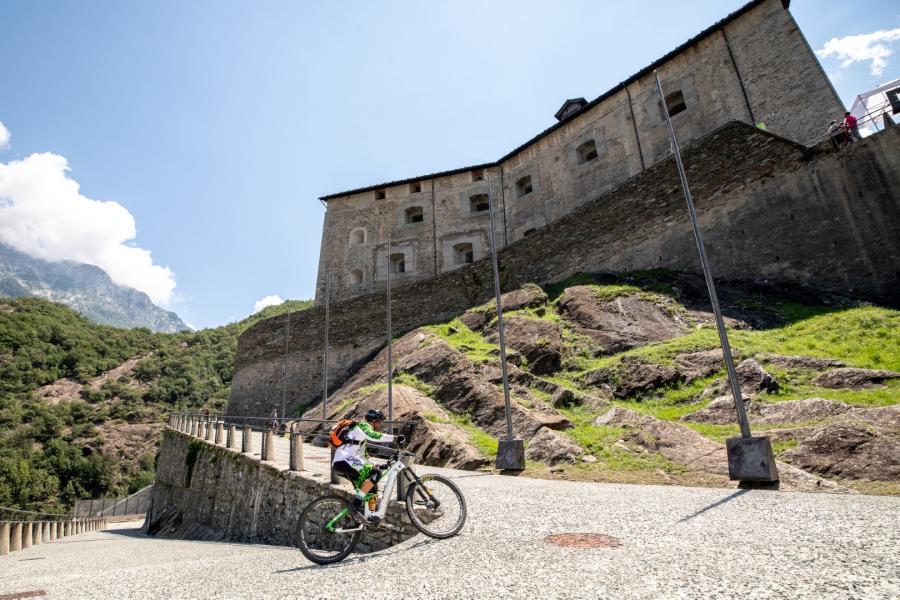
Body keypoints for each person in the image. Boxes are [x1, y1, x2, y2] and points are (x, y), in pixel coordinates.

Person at [331, 409, 405, 522]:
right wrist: (395, 438)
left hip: (345, 462)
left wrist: (380, 465)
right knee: (375, 473)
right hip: (344, 461)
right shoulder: (363, 426)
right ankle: (356, 504)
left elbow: (363, 457)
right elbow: (374, 436)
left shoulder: (360, 436)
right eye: (379, 422)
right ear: (374, 421)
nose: (379, 425)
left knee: (372, 487)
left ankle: (367, 518)